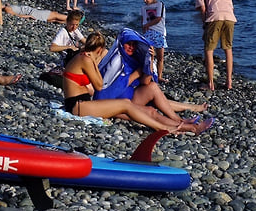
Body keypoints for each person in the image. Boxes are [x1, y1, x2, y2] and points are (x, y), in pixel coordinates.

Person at [61, 32, 213, 134]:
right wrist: (97, 62)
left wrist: (148, 59)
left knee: (150, 111)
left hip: (86, 103)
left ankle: (191, 127)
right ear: (100, 49)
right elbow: (100, 85)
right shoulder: (87, 59)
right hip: (78, 106)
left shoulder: (86, 58)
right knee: (127, 104)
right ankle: (164, 128)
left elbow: (145, 81)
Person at [195, 0, 236, 90]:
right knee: (228, 49)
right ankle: (229, 82)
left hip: (214, 17)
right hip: (230, 17)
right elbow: (231, 7)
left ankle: (210, 83)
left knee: (209, 50)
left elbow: (203, 9)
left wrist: (204, 23)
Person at [140, 0, 167, 82]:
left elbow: (158, 18)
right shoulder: (143, 8)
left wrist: (147, 25)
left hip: (159, 32)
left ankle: (159, 76)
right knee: (149, 55)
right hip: (148, 33)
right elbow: (143, 20)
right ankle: (149, 73)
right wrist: (144, 28)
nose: (145, 1)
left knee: (160, 56)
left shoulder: (159, 4)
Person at [3, 4, 69, 23]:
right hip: (33, 13)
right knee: (55, 15)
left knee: (54, 19)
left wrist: (8, 4)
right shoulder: (7, 9)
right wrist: (28, 16)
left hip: (33, 12)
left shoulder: (7, 6)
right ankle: (73, 19)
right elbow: (17, 15)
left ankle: (70, 22)